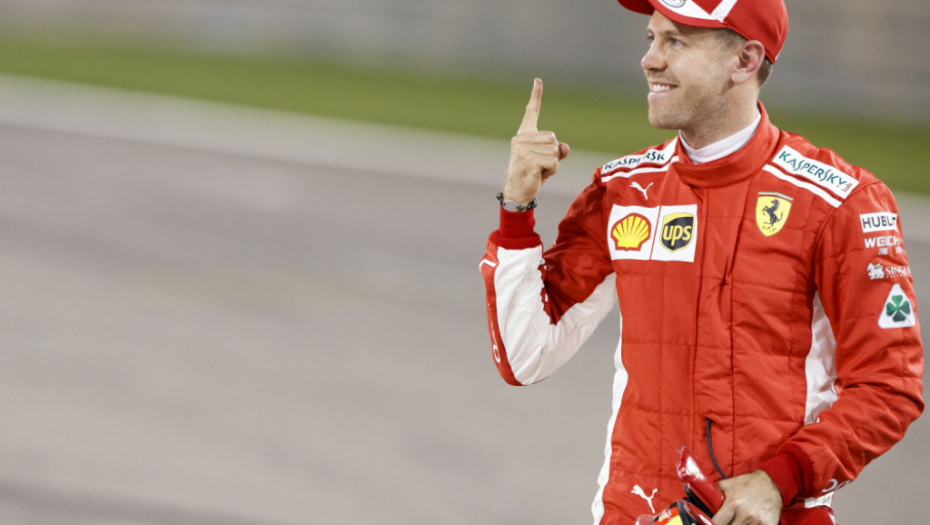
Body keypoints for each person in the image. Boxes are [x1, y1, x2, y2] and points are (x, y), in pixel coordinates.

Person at [478, 0, 924, 524]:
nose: (650, 59)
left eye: (676, 42)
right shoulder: (624, 192)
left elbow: (890, 386)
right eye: (651, 39)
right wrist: (516, 208)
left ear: (745, 61)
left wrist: (779, 480)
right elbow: (524, 356)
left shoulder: (840, 201)